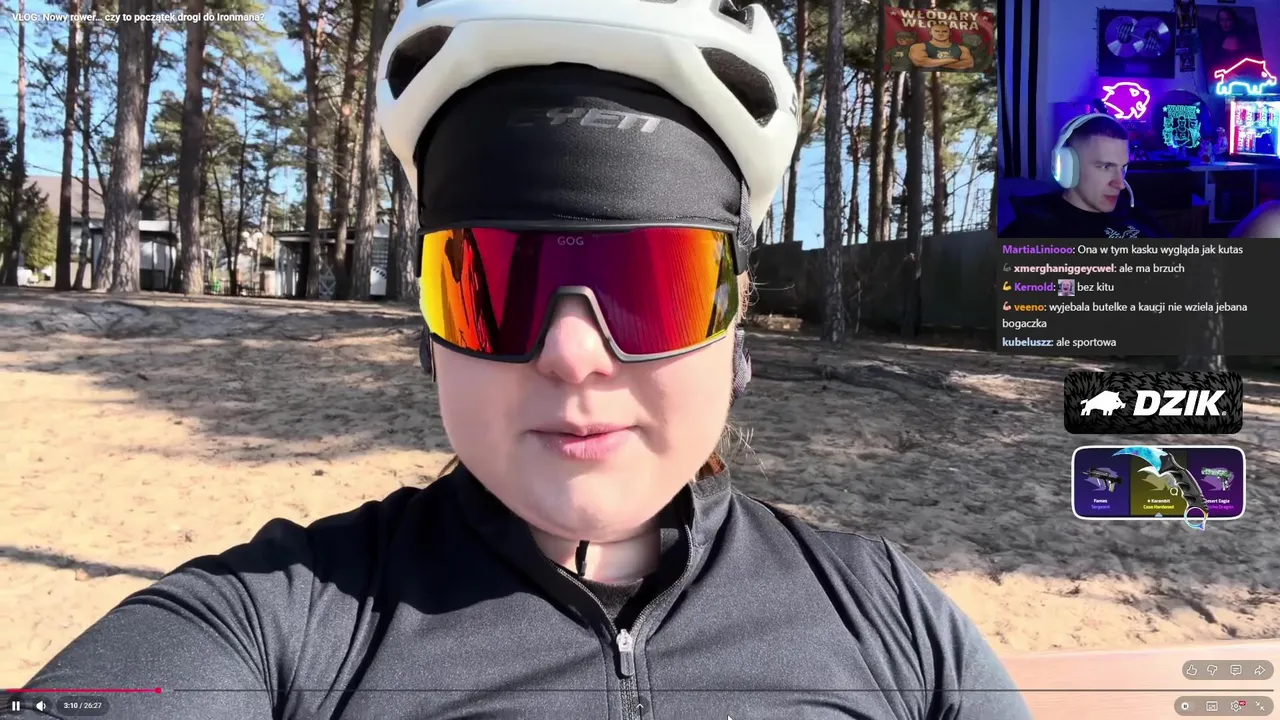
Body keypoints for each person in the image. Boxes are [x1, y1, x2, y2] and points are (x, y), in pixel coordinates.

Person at [11, 1, 1030, 719]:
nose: (572, 355)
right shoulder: (283, 624)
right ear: (428, 336)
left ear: (736, 326)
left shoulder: (884, 612)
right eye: (492, 284)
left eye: (655, 283)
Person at [1002, 114, 1169, 238]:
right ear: (1067, 166)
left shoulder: (1135, 212)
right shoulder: (1030, 231)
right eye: (1105, 167)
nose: (1120, 184)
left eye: (1123, 167)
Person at [910, 21, 974, 71]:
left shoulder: (962, 48)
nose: (940, 34)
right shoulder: (919, 46)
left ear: (950, 33)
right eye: (937, 31)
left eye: (944, 31)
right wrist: (953, 60)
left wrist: (932, 63)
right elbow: (921, 62)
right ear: (930, 32)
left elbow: (969, 64)